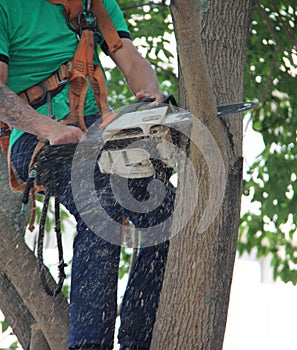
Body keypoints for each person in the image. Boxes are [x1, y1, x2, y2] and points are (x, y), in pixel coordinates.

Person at [0, 1, 175, 349]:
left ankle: (139, 339)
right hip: (35, 138)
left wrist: (152, 96)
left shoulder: (95, 3)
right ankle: (89, 344)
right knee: (100, 202)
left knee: (165, 205)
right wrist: (47, 127)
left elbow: (130, 58)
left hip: (96, 131)